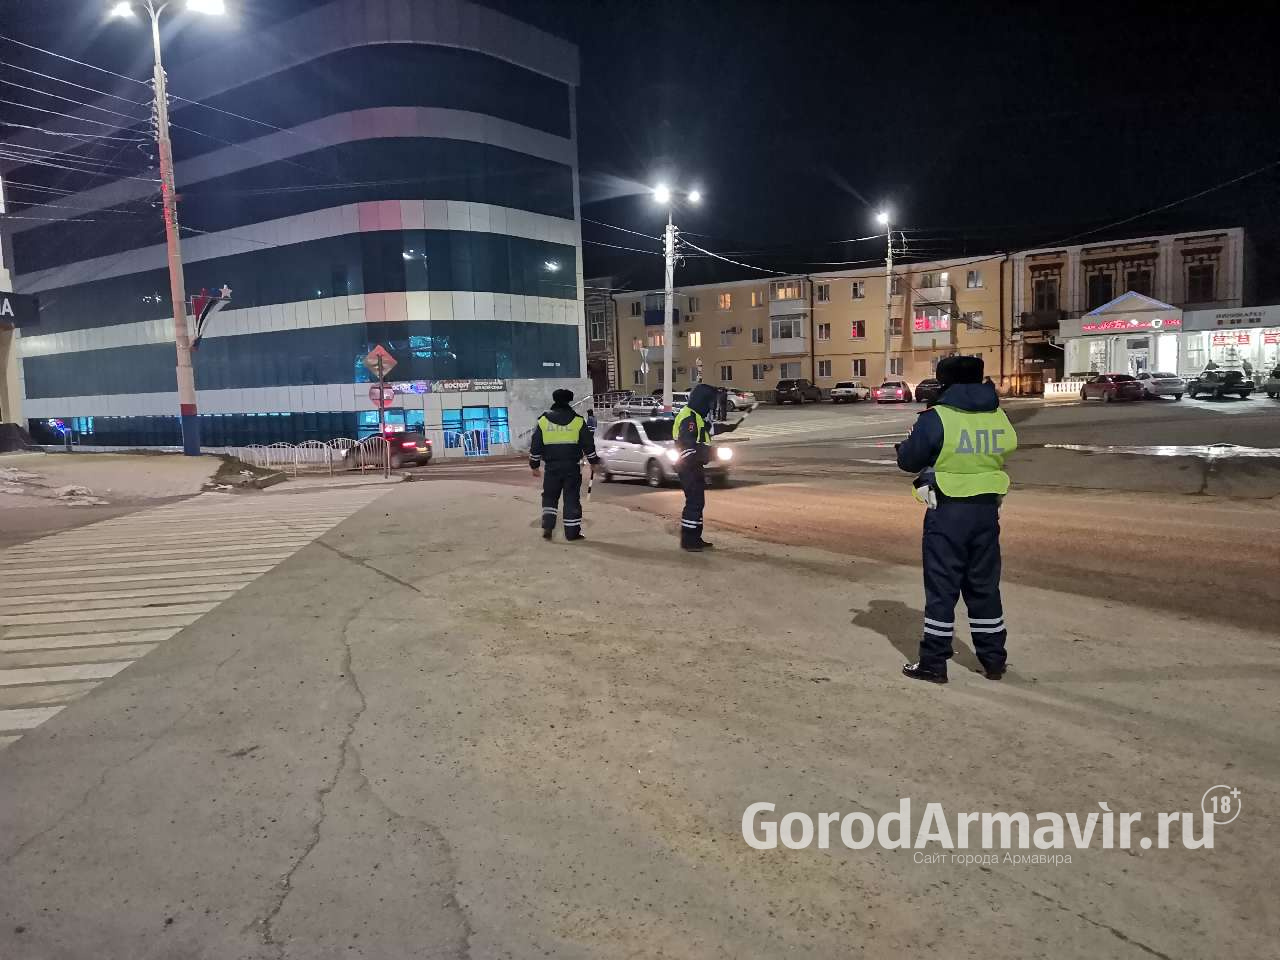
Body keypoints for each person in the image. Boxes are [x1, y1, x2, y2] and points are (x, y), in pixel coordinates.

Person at [894, 355, 1017, 684]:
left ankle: (934, 662)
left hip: (948, 511)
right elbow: (1008, 447)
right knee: (984, 586)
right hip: (987, 511)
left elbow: (909, 459)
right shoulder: (997, 415)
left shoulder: (938, 417)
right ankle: (993, 660)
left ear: (944, 381)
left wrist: (904, 448)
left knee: (942, 588)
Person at [529, 389, 598, 542]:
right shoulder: (578, 421)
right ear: (569, 401)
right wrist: (594, 462)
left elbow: (536, 445)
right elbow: (588, 444)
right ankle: (572, 534)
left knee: (550, 497)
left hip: (551, 468)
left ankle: (548, 527)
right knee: (571, 498)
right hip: (571, 468)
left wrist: (534, 465)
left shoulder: (543, 421)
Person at [672, 383, 717, 551]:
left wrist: (729, 427)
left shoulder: (696, 416)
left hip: (694, 465)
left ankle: (695, 537)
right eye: (709, 402)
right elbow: (688, 445)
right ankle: (688, 541)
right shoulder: (689, 418)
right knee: (694, 502)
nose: (711, 406)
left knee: (698, 502)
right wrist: (709, 453)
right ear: (702, 400)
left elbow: (708, 430)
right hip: (688, 466)